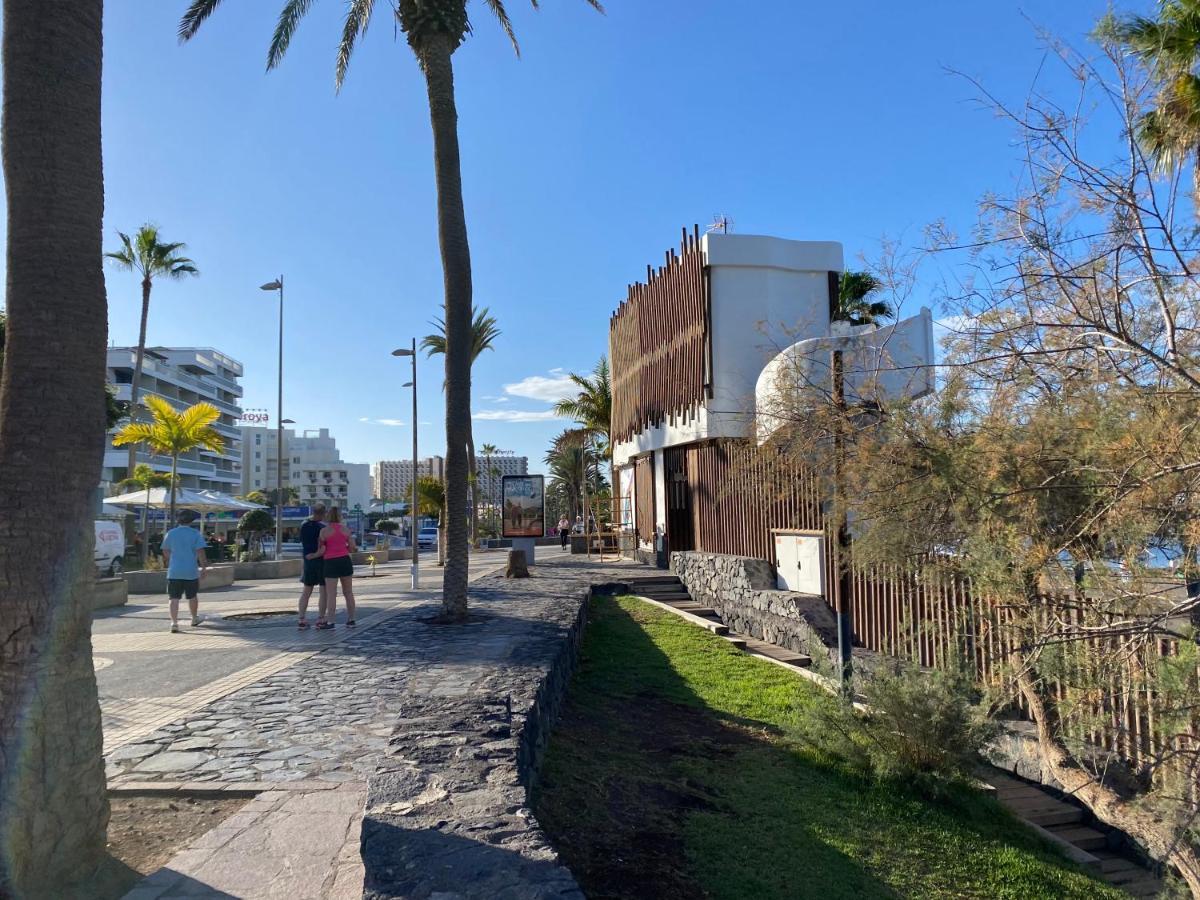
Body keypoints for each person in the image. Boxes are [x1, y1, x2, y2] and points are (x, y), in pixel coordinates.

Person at [161, 509, 209, 634]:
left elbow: (165, 550)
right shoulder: (195, 534)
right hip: (190, 570)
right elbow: (200, 552)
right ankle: (194, 618)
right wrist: (204, 567)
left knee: (173, 598)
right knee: (192, 596)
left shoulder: (171, 533)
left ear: (178, 520)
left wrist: (172, 560)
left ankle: (174, 623)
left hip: (174, 570)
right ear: (192, 520)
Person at [310, 505, 357, 629]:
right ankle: (351, 620)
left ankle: (331, 621)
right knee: (348, 592)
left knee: (331, 594)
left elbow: (322, 550)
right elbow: (353, 547)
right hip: (345, 561)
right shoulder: (346, 530)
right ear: (340, 516)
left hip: (330, 563)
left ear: (328, 516)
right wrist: (344, 549)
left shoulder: (324, 532)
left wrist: (313, 556)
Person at [297, 503, 327, 629]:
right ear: (322, 513)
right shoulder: (322, 527)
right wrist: (316, 554)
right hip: (321, 560)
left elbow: (303, 542)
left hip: (307, 560)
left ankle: (302, 618)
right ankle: (320, 619)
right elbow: (324, 545)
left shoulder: (303, 525)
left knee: (306, 590)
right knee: (323, 590)